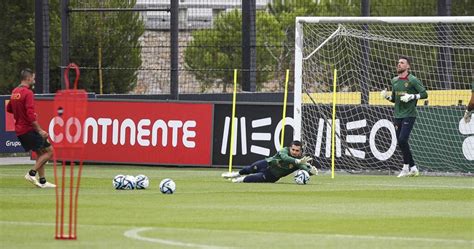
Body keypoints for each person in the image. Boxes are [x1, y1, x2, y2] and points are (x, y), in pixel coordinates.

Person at [6, 68, 55, 188]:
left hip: (20, 130)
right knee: (50, 152)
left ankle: (42, 181)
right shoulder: (28, 93)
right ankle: (31, 173)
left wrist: (20, 114)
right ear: (28, 78)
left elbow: (9, 109)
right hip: (29, 129)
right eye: (33, 77)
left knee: (40, 153)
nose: (34, 79)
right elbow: (30, 114)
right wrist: (40, 130)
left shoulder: (15, 91)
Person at [381, 56, 428, 177]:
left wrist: (412, 96)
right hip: (398, 114)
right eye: (398, 63)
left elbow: (424, 94)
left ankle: (406, 167)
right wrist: (387, 97)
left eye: (402, 63)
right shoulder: (394, 80)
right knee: (401, 142)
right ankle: (413, 167)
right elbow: (395, 99)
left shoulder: (413, 80)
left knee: (402, 139)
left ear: (408, 66)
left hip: (409, 114)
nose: (399, 64)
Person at [221, 140, 317, 183]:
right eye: (293, 150)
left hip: (272, 175)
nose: (295, 152)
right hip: (267, 163)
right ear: (290, 148)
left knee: (253, 178)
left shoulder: (300, 161)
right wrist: (297, 161)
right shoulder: (284, 150)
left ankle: (239, 180)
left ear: (300, 151)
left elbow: (304, 168)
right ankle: (236, 174)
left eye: (297, 151)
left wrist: (310, 172)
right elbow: (284, 158)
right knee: (251, 168)